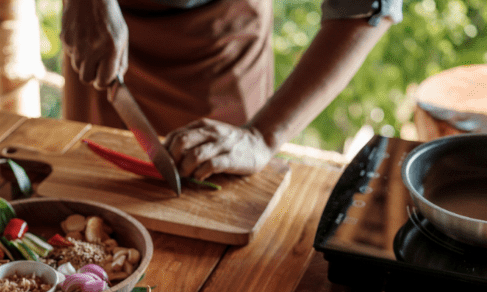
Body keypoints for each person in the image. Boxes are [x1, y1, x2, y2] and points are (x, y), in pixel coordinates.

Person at [60, 0, 403, 180]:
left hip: (221, 38)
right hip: (97, 22)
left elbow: (365, 7)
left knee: (213, 179)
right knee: (92, 194)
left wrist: (262, 136)